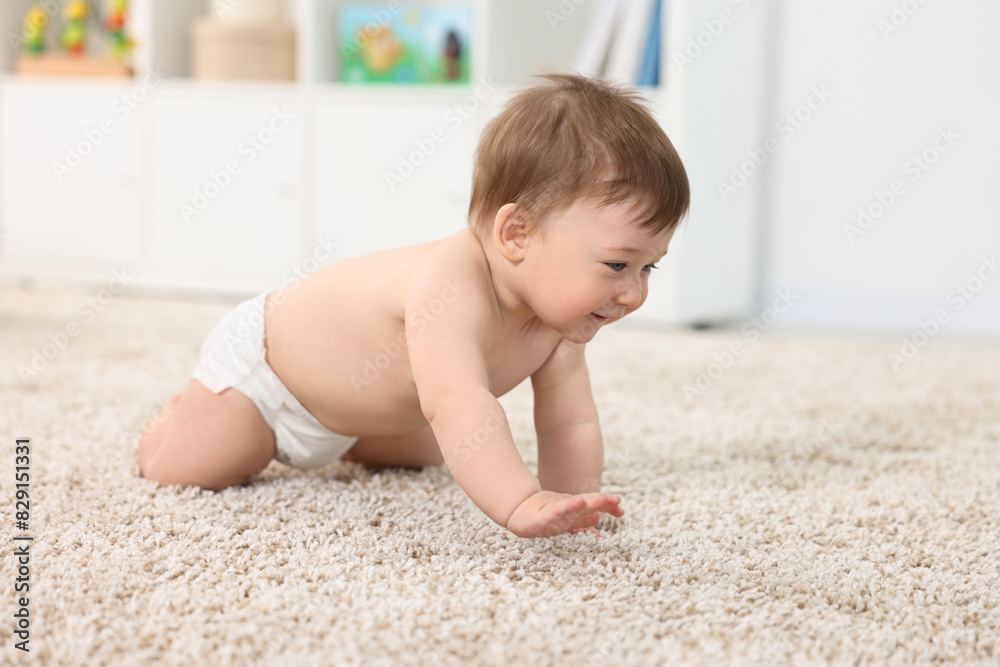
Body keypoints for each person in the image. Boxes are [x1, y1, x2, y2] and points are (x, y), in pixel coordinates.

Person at [138, 74, 690, 538]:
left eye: (649, 268)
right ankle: (183, 413)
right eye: (618, 266)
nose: (634, 293)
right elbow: (459, 404)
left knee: (430, 452)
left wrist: (572, 503)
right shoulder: (446, 286)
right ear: (517, 233)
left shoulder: (557, 321)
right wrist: (521, 503)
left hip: (356, 411)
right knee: (192, 468)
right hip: (268, 379)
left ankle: (350, 439)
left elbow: (569, 421)